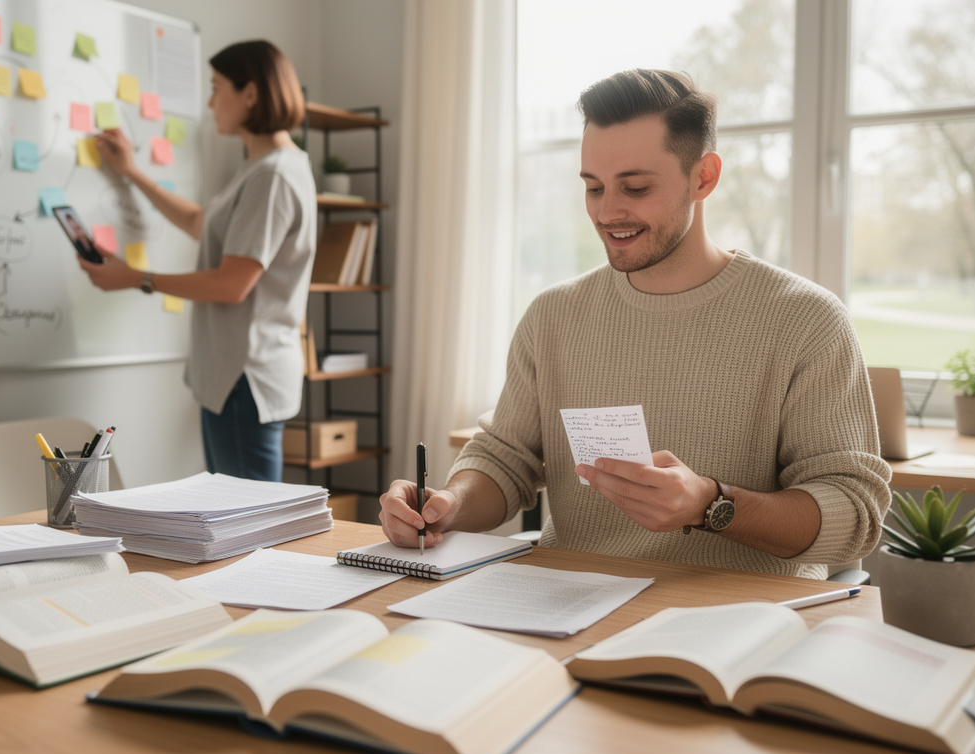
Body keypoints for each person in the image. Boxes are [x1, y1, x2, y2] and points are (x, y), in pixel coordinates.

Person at [379, 69, 892, 579]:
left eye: (636, 187)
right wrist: (448, 504)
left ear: (704, 177)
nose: (607, 213)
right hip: (570, 603)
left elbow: (855, 514)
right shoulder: (554, 315)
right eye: (593, 187)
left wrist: (710, 504)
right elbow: (504, 459)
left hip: (736, 615)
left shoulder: (805, 319)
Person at [79, 40, 317, 482]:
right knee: (234, 509)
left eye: (216, 88)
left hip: (245, 377)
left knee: (246, 516)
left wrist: (134, 277)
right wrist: (131, 172)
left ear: (250, 94)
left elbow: (232, 284)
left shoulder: (273, 176)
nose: (210, 103)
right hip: (233, 375)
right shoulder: (261, 169)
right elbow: (197, 222)